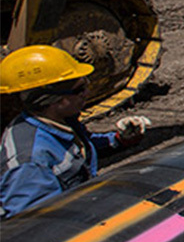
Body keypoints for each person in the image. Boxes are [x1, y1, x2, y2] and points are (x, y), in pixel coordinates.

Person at [0, 45, 147, 218]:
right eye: (79, 90)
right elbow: (35, 225)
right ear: (55, 100)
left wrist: (118, 139)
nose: (87, 92)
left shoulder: (58, 121)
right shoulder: (30, 161)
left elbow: (76, 149)